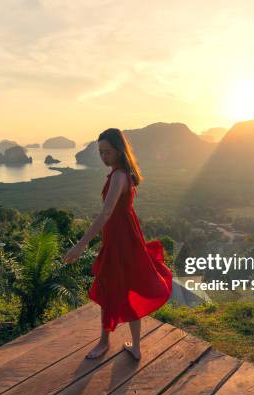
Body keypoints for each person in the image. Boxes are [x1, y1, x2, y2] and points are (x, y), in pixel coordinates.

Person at [62, 128, 173, 360]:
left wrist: (80, 245)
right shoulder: (122, 173)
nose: (104, 157)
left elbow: (105, 214)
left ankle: (105, 343)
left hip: (121, 240)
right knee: (120, 285)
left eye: (108, 152)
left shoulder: (119, 176)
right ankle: (133, 346)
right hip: (124, 236)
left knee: (110, 286)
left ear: (119, 151)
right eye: (101, 152)